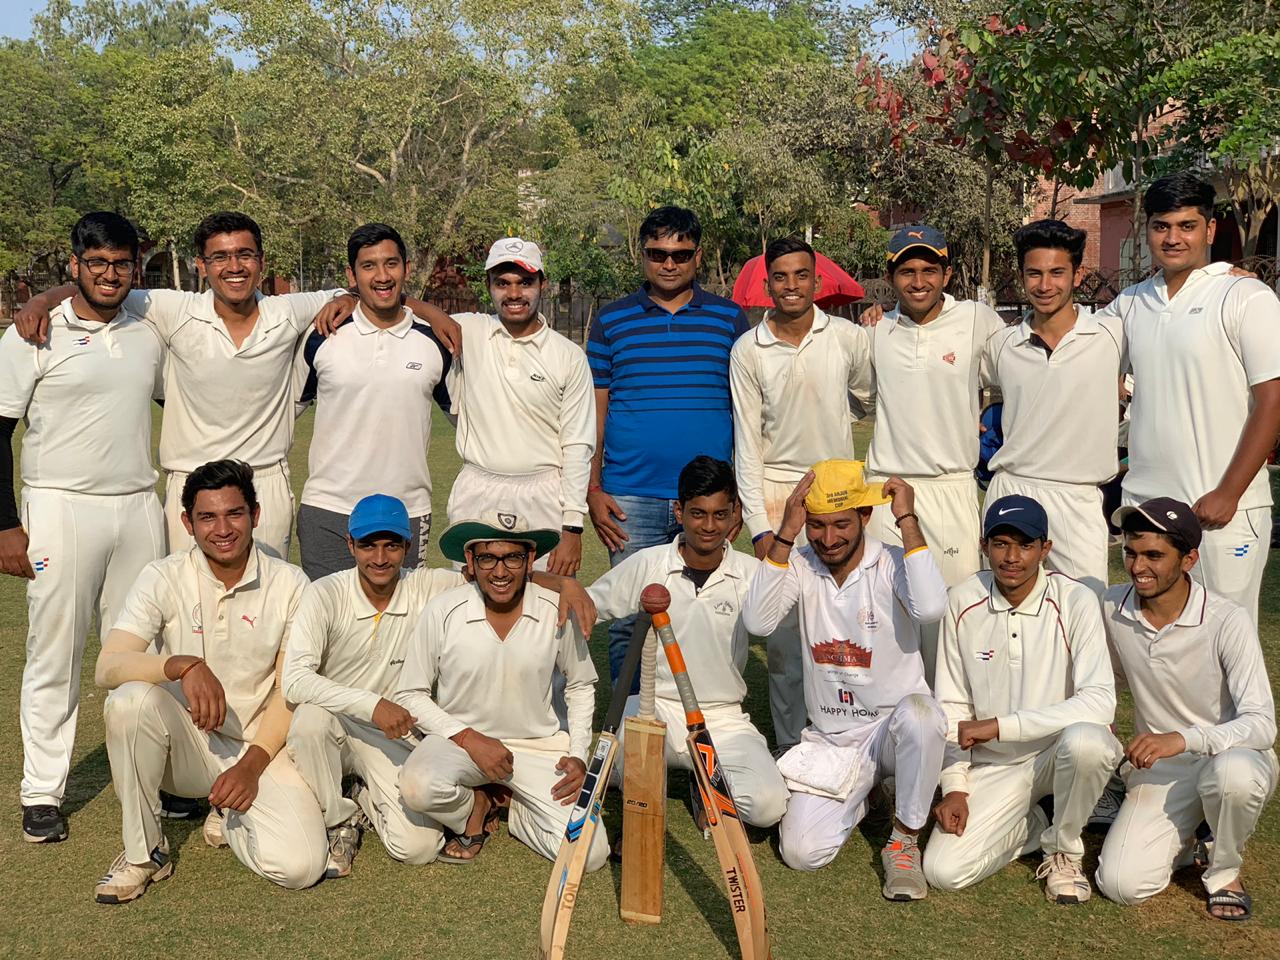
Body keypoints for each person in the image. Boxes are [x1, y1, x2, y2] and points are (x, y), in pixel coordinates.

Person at [283, 493, 598, 877]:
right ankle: (339, 819)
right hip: (348, 719)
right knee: (310, 723)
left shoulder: (433, 586)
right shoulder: (325, 594)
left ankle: (508, 807)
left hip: (401, 734)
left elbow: (501, 576)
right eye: (368, 545)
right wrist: (373, 705)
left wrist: (564, 584)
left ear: (408, 548)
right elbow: (296, 681)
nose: (380, 558)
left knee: (417, 848)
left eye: (391, 545)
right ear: (350, 545)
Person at [12, 211, 354, 559]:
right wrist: (40, 300)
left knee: (266, 605)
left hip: (263, 482)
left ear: (262, 262)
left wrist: (345, 299)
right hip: (189, 482)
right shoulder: (172, 308)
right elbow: (99, 284)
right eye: (219, 257)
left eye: (244, 255)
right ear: (201, 265)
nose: (233, 266)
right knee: (184, 608)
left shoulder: (288, 310)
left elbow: (353, 292)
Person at [0, 212, 166, 844]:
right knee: (57, 652)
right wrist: (4, 525)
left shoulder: (146, 323)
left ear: (134, 267)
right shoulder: (32, 334)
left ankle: (154, 777)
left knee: (141, 652)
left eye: (120, 263)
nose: (109, 274)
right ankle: (42, 791)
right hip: (59, 506)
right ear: (74, 265)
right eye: (96, 263)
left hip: (137, 504)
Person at [92, 460, 326, 903]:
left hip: (260, 747)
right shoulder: (163, 575)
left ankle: (232, 815)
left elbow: (289, 688)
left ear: (256, 515)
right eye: (207, 517)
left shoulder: (291, 583)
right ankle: (145, 853)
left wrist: (252, 766)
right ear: (187, 523)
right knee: (129, 702)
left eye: (234, 513)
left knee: (301, 868)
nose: (222, 528)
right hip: (189, 745)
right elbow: (108, 666)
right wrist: (181, 666)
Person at [741, 460, 948, 901]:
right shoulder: (799, 562)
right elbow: (758, 622)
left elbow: (930, 608)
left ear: (865, 516)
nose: (828, 539)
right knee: (800, 852)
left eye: (840, 524)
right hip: (831, 737)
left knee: (923, 715)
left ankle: (904, 840)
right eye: (816, 525)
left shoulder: (892, 561)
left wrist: (908, 520)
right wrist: (785, 532)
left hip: (893, 730)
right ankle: (868, 797)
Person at [1099, 171, 1280, 625]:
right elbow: (1076, 351)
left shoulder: (1245, 296)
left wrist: (1229, 492)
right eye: (1161, 226)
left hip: (1222, 512)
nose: (1173, 238)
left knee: (1227, 650)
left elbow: (1272, 402)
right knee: (1156, 646)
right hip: (1146, 508)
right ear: (1148, 232)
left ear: (1210, 229)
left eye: (1187, 226)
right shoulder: (1131, 302)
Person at [924, 495, 1122, 903]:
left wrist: (1001, 725)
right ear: (984, 546)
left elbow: (1100, 702)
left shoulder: (1075, 600)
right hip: (995, 764)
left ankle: (1065, 851)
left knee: (1090, 741)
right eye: (1001, 543)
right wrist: (955, 786)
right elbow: (953, 706)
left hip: (1059, 753)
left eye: (1025, 544)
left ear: (1045, 549)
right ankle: (1036, 820)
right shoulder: (962, 601)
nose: (1012, 557)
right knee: (943, 871)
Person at [587, 206, 750, 682]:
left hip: (708, 498)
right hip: (629, 495)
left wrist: (736, 496)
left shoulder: (728, 319)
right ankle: (631, 724)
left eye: (680, 254)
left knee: (709, 612)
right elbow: (595, 412)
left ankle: (706, 715)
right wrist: (593, 488)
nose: (669, 263)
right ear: (643, 255)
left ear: (698, 257)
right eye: (657, 253)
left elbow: (744, 411)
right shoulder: (612, 321)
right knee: (629, 617)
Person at [1096, 498, 1276, 921]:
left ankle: (1224, 870)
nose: (1138, 566)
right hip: (1160, 770)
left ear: (1190, 558)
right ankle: (1192, 833)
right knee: (1120, 884)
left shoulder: (1227, 619)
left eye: (1154, 555)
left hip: (1230, 756)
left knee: (1233, 777)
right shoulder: (1111, 606)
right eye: (1130, 552)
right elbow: (1105, 683)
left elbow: (1262, 724)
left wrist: (1183, 738)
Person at [586, 456, 789, 828]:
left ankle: (705, 783)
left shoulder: (750, 574)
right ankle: (673, 785)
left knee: (767, 808)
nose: (709, 526)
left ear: (734, 514)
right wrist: (557, 587)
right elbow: (587, 607)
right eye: (698, 513)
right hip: (655, 708)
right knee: (614, 768)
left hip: (722, 717)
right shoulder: (649, 564)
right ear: (679, 512)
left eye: (719, 514)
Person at [394, 513, 605, 868]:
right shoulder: (443, 610)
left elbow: (581, 684)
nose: (501, 571)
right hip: (460, 743)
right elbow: (410, 694)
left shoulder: (557, 608)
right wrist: (469, 738)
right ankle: (475, 805)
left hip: (538, 748)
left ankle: (519, 806)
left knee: (590, 854)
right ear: (471, 563)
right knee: (417, 785)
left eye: (513, 557)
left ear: (530, 559)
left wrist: (579, 754)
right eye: (488, 558)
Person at [730, 236, 872, 750]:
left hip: (836, 492)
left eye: (801, 276)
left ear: (817, 281)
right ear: (768, 284)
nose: (792, 286)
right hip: (776, 492)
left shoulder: (847, 338)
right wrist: (761, 528)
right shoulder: (748, 349)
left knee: (846, 629)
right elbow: (746, 444)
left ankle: (854, 745)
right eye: (781, 277)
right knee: (787, 643)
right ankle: (793, 749)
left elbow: (870, 394)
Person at [863, 225, 1004, 681]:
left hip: (951, 488)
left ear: (946, 273)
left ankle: (950, 730)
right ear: (891, 276)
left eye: (929, 270)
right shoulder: (876, 331)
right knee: (887, 614)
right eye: (907, 271)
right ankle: (887, 728)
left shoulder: (977, 320)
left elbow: (1015, 376)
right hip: (886, 487)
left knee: (952, 614)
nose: (918, 281)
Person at [295, 223, 453, 580]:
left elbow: (469, 424)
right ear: (351, 275)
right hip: (328, 510)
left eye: (391, 264)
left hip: (405, 511)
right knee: (331, 628)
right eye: (369, 266)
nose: (382, 276)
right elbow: (284, 414)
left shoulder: (435, 342)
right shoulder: (322, 335)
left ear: (407, 268)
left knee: (399, 630)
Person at [981, 220, 1125, 595]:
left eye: (1057, 272)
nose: (1045, 286)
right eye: (1035, 274)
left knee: (1088, 617)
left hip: (1078, 498)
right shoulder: (1002, 343)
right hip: (1012, 488)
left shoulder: (1112, 335)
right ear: (1022, 276)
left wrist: (1223, 273)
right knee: (1008, 619)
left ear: (1077, 275)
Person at [443, 238, 595, 576]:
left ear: (542, 284)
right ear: (489, 287)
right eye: (503, 283)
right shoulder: (469, 330)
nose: (514, 294)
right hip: (477, 488)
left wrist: (572, 527)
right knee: (470, 600)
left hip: (543, 494)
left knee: (544, 607)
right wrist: (348, 298)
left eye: (525, 282)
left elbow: (578, 445)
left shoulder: (568, 356)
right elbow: (404, 312)